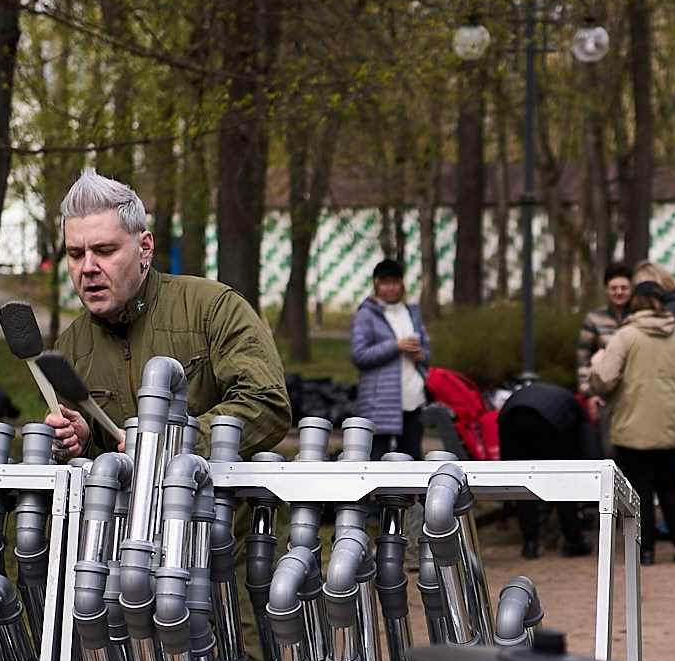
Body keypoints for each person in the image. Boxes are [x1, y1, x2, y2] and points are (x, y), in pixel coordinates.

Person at [42, 168, 292, 459]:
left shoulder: (213, 309)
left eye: (105, 250)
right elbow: (102, 468)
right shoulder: (70, 349)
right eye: (75, 254)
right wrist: (81, 446)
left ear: (145, 248)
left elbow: (267, 405)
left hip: (214, 504)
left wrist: (170, 444)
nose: (88, 267)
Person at [589, 281, 675, 564]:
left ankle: (645, 550)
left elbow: (605, 379)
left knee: (640, 488)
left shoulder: (626, 336)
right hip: (672, 424)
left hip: (634, 423)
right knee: (670, 484)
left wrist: (596, 363)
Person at [494, 378, 590, 558]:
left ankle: (530, 545)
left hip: (509, 418)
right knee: (563, 481)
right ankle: (573, 540)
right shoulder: (574, 405)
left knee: (523, 484)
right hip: (547, 421)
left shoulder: (558, 398)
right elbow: (586, 446)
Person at [351, 257, 431, 456]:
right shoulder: (366, 315)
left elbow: (427, 352)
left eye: (395, 282)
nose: (391, 288)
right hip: (380, 403)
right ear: (376, 285)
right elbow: (359, 355)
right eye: (386, 283)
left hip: (414, 398)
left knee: (411, 460)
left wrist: (422, 355)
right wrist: (395, 346)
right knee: (377, 459)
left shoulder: (412, 312)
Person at [576, 262, 634, 398]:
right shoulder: (594, 318)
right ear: (607, 290)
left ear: (631, 289)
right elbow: (583, 359)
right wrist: (588, 394)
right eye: (614, 288)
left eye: (624, 288)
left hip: (634, 394)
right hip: (603, 395)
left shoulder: (638, 317)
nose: (619, 292)